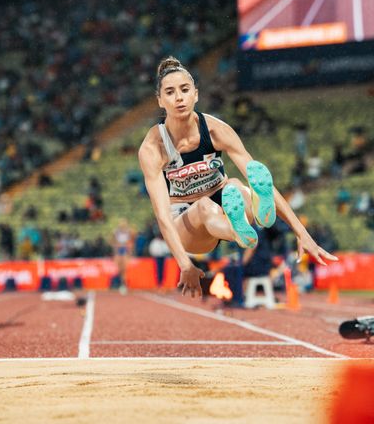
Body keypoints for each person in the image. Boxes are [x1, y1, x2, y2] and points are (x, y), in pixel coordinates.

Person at [138, 56, 338, 299]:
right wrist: (184, 264)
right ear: (160, 100)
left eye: (184, 89)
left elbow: (263, 183)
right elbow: (161, 214)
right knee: (204, 207)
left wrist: (301, 232)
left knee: (236, 184)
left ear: (196, 94)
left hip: (224, 200)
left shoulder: (215, 130)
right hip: (186, 221)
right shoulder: (153, 147)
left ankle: (248, 224)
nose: (179, 97)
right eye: (170, 92)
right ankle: (240, 232)